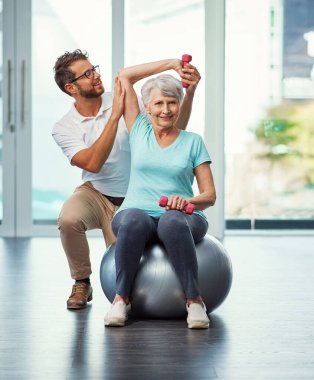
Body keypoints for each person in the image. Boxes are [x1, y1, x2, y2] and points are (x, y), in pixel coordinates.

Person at [52, 50, 201, 310]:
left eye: (94, 68)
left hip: (135, 199)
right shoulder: (64, 126)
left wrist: (175, 68)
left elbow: (173, 123)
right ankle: (81, 282)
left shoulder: (122, 99)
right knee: (68, 219)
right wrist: (113, 117)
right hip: (96, 192)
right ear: (71, 87)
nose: (96, 75)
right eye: (86, 74)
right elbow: (92, 163)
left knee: (132, 259)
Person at [104, 59, 216, 329]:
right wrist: (171, 64)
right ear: (147, 107)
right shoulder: (139, 130)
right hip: (136, 213)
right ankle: (121, 298)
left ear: (180, 104)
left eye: (172, 102)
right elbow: (124, 76)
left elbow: (209, 195)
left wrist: (186, 201)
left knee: (171, 220)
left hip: (183, 218)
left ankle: (194, 301)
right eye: (158, 103)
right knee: (132, 220)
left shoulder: (193, 142)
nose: (165, 110)